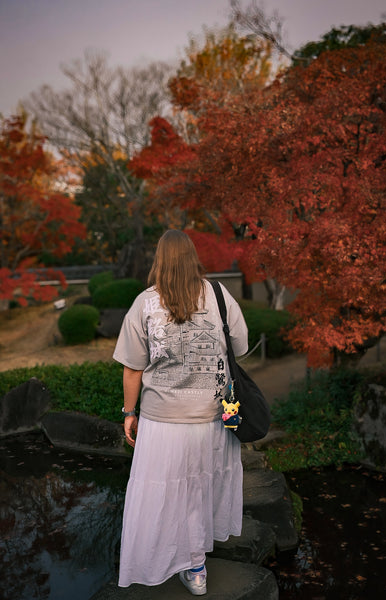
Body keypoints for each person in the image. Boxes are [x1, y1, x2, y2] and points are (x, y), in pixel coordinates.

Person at [113, 229, 248, 595]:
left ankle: (169, 559)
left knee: (165, 492)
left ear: (160, 260)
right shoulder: (219, 295)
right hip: (214, 418)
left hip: (162, 421)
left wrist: (128, 412)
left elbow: (132, 367)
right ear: (192, 257)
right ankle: (198, 567)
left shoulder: (145, 303)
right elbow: (241, 345)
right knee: (201, 485)